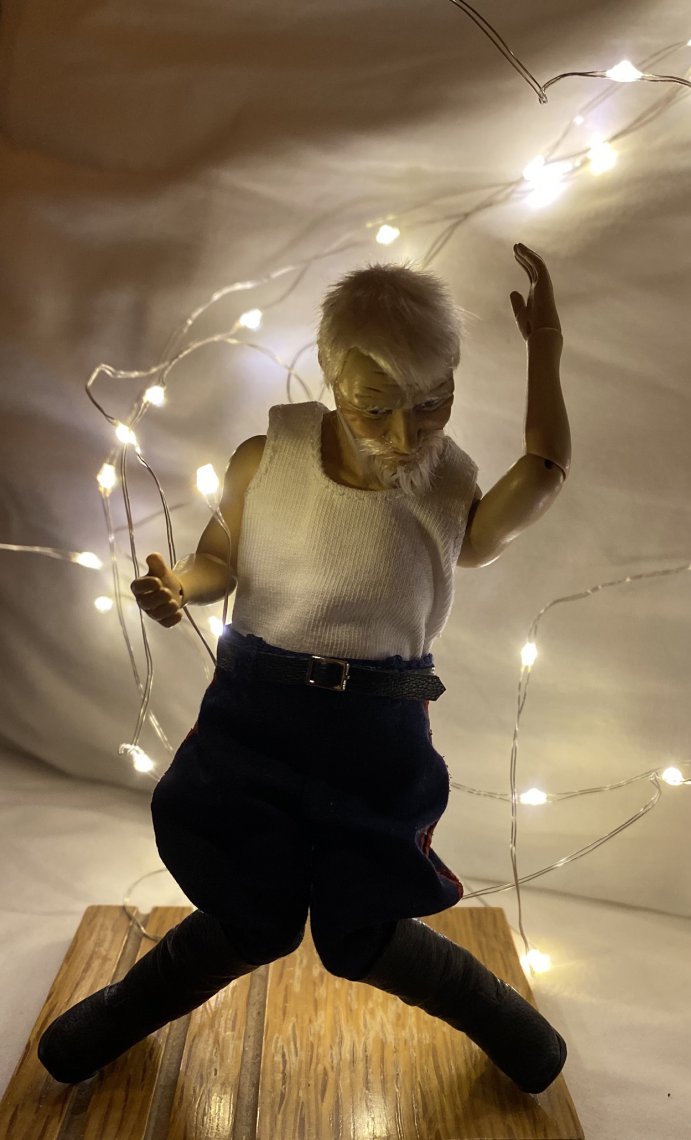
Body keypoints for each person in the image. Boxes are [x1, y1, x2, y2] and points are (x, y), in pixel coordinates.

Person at [38, 243, 572, 1094]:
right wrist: (181, 585)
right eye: (374, 407)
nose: (404, 434)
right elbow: (222, 555)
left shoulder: (446, 488)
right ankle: (113, 1019)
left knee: (364, 925)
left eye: (433, 404)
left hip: (379, 732)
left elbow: (542, 473)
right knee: (249, 911)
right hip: (257, 716)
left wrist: (545, 348)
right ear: (330, 372)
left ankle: (509, 1025)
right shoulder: (267, 458)